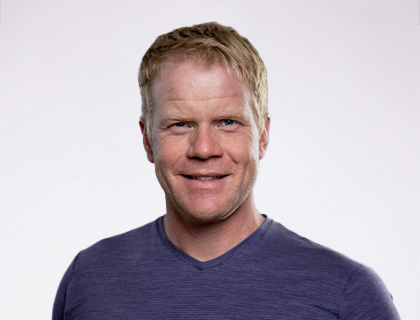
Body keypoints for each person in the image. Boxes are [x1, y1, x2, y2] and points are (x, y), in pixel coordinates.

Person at [52, 22, 400, 319]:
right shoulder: (89, 279)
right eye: (179, 124)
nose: (204, 148)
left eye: (228, 122)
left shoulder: (347, 293)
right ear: (147, 140)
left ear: (262, 136)